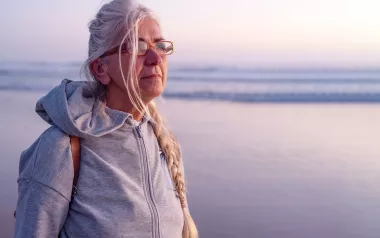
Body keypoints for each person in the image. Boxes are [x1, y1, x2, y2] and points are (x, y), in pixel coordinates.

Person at [13, 0, 198, 237]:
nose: (155, 57)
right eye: (136, 46)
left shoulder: (165, 145)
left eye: (160, 45)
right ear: (100, 68)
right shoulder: (61, 149)